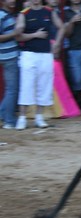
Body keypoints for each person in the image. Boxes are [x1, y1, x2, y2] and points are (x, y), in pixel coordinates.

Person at [15, 0, 64, 130]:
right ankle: (22, 117)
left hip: (45, 54)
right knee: (26, 85)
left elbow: (62, 27)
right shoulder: (24, 13)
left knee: (44, 85)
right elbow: (18, 36)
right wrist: (35, 35)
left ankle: (39, 117)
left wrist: (57, 43)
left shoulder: (49, 11)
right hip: (29, 54)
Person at [0, 0, 21, 130]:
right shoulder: (2, 15)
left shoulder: (7, 14)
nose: (12, 1)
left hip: (8, 55)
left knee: (11, 89)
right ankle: (9, 121)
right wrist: (15, 33)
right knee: (12, 89)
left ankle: (3, 114)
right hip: (8, 56)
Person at [64, 0, 81, 110]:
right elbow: (67, 34)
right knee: (77, 78)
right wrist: (72, 21)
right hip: (74, 49)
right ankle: (78, 99)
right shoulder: (66, 12)